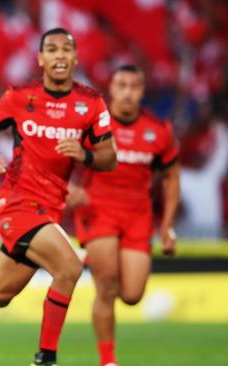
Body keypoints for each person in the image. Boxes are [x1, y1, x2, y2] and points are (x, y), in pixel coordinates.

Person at [0, 28, 117, 366]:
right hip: (16, 204)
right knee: (70, 267)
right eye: (52, 49)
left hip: (48, 212)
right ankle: (45, 358)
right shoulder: (21, 96)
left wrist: (85, 154)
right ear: (41, 58)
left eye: (66, 49)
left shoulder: (91, 103)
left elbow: (109, 158)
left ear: (75, 58)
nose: (60, 55)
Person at [67, 65, 180, 366]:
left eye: (135, 86)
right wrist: (68, 187)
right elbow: (53, 159)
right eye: (122, 85)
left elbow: (171, 177)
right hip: (98, 210)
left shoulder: (159, 130)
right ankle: (108, 361)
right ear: (112, 89)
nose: (128, 92)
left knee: (131, 295)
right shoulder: (91, 124)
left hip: (138, 216)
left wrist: (167, 227)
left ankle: (95, 257)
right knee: (107, 287)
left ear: (143, 91)